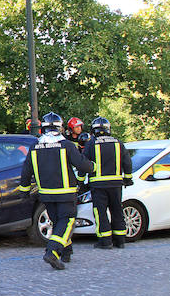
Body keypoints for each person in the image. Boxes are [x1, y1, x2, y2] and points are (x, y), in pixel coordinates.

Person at [18, 112, 94, 270]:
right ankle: (52, 251)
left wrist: (24, 191)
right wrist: (93, 166)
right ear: (60, 128)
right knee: (67, 222)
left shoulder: (35, 147)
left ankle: (66, 251)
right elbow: (82, 165)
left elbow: (26, 171)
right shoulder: (66, 145)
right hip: (66, 193)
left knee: (58, 223)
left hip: (46, 195)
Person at [82, 116, 133, 250]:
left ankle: (105, 241)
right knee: (117, 210)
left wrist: (81, 181)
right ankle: (120, 240)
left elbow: (84, 164)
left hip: (98, 186)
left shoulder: (91, 144)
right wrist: (127, 178)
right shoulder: (118, 143)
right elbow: (127, 162)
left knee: (101, 213)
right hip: (116, 185)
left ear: (94, 130)